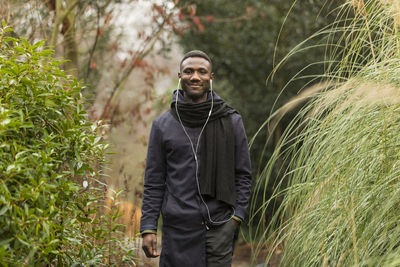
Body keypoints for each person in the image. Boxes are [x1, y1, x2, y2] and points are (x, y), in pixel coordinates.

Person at [140, 50, 252, 267]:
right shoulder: (162, 126)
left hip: (219, 228)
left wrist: (236, 218)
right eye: (189, 71)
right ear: (180, 76)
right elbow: (154, 182)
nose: (195, 76)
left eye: (202, 72)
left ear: (211, 78)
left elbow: (243, 175)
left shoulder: (231, 121)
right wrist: (148, 227)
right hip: (177, 232)